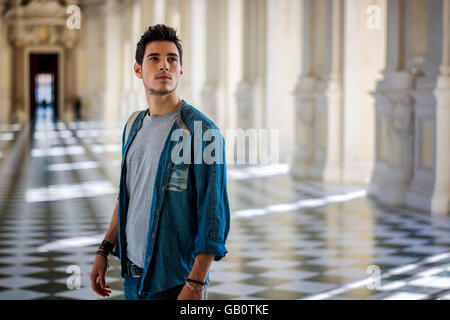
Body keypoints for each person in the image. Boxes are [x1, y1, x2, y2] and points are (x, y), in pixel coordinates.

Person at [90, 24, 230, 300]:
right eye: (154, 58)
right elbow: (127, 194)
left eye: (172, 59)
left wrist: (196, 283)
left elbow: (212, 214)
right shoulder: (133, 125)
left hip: (174, 281)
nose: (164, 65)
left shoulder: (202, 132)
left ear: (181, 70)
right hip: (132, 277)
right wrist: (104, 250)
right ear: (138, 70)